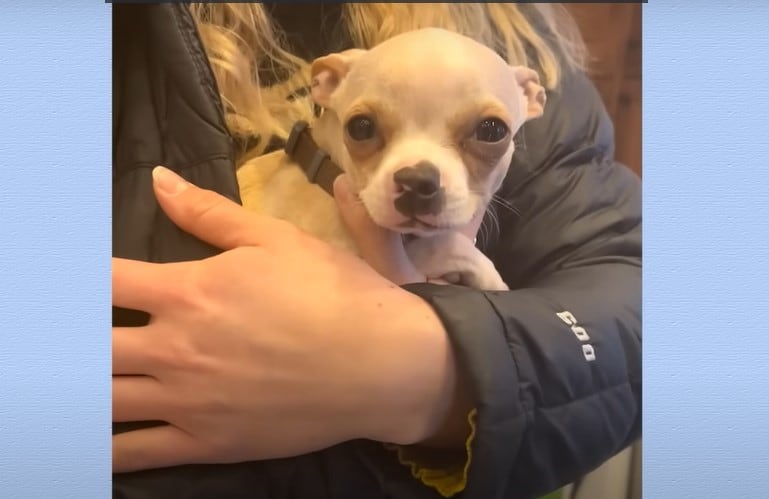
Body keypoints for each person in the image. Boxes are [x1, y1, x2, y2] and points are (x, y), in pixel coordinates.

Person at [111, 3, 641, 499]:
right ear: (327, 88)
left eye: (486, 132)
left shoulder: (505, 26)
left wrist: (437, 367)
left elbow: (637, 295)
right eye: (366, 130)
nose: (419, 175)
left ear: (531, 100)